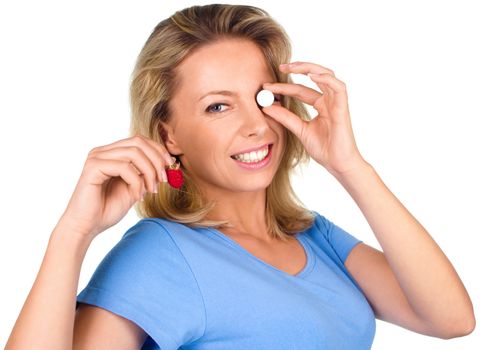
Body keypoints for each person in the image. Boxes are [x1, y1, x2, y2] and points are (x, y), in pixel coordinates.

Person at [5, 4, 475, 349]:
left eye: (263, 97)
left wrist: (350, 165)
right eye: (218, 106)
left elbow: (451, 319)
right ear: (169, 134)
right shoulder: (163, 254)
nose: (255, 124)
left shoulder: (313, 236)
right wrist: (73, 233)